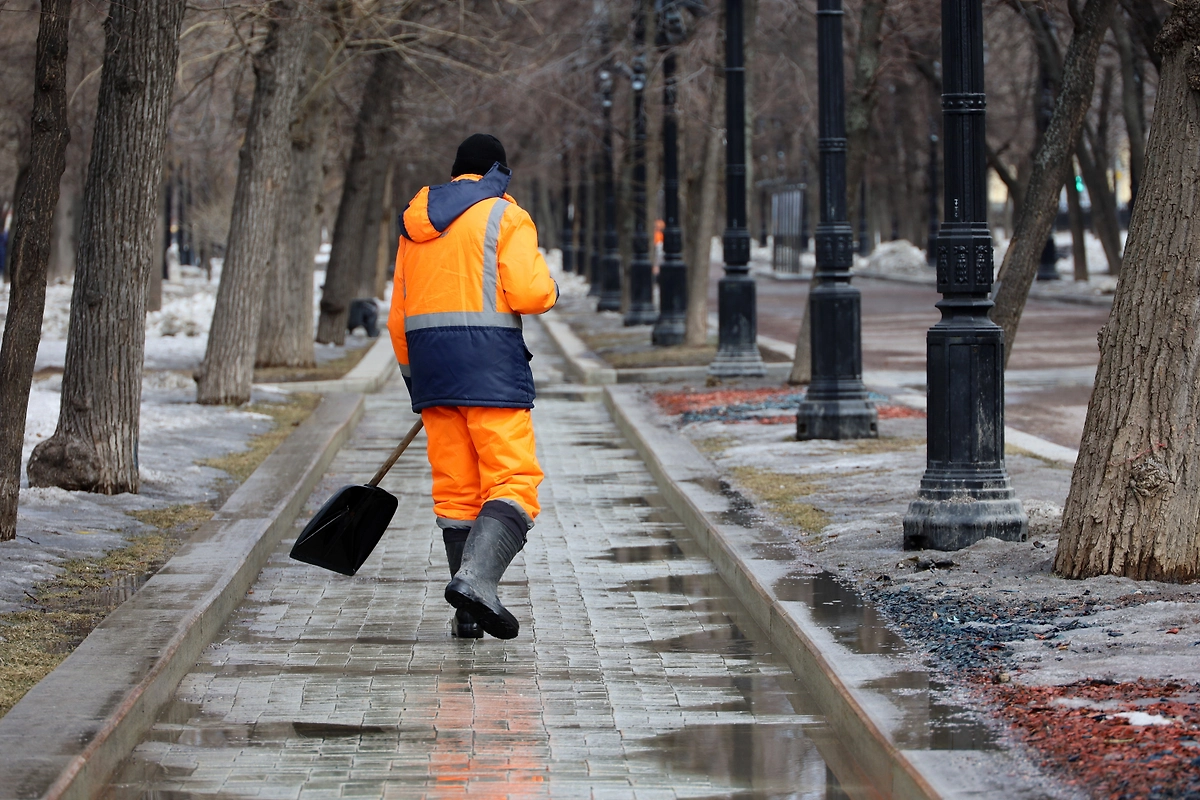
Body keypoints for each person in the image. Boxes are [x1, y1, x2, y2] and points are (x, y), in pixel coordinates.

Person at [388, 134, 558, 640]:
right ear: (496, 171)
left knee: (457, 490)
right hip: (490, 372)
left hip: (434, 373)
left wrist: (415, 379)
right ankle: (477, 584)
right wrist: (551, 292)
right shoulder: (506, 216)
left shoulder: (414, 225)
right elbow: (529, 293)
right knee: (513, 481)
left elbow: (398, 317)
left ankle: (467, 614)